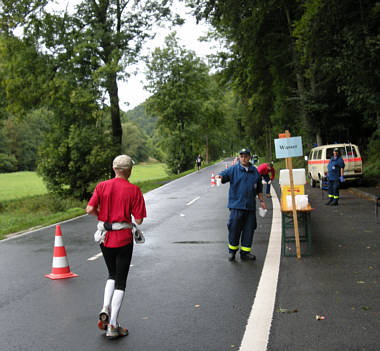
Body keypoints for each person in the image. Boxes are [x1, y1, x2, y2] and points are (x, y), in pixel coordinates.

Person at [86, 154, 147, 339]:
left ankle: (105, 307)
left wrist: (101, 215)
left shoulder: (102, 186)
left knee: (111, 274)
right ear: (129, 171)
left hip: (105, 238)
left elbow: (89, 209)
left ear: (114, 169)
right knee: (121, 281)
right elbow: (139, 220)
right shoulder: (134, 190)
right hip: (123, 239)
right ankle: (112, 325)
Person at [216, 148, 267, 262]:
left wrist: (262, 201)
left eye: (246, 156)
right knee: (234, 229)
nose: (244, 158)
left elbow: (259, 188)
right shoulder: (233, 170)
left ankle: (245, 253)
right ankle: (232, 252)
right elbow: (223, 175)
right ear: (239, 157)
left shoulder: (255, 172)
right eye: (242, 156)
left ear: (249, 157)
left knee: (249, 230)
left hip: (250, 207)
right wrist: (219, 177)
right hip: (236, 206)